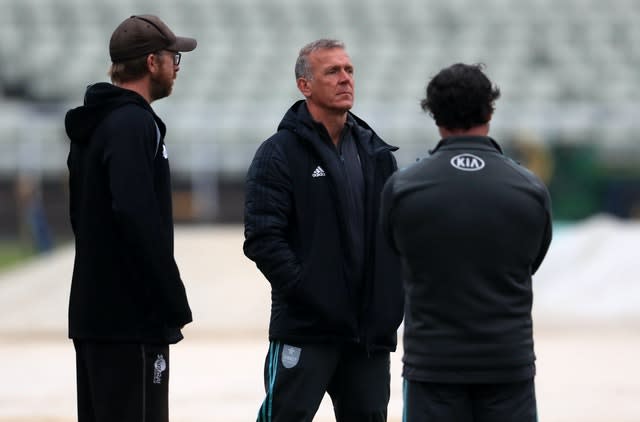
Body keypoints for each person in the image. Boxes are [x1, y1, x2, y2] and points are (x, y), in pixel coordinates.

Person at [380, 63, 553, 422]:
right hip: (508, 360)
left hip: (433, 365)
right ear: (490, 111)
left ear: (434, 114)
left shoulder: (403, 188)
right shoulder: (529, 188)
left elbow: (395, 254)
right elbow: (531, 261)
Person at [243, 39, 404, 422]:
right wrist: (310, 293)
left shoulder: (378, 154)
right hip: (306, 329)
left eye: (349, 70)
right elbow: (263, 239)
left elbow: (395, 236)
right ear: (305, 85)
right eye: (332, 71)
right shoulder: (278, 152)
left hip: (366, 335)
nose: (345, 78)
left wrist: (388, 305)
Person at [64, 15, 196, 422]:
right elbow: (135, 214)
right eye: (173, 57)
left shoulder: (101, 122)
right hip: (129, 322)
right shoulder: (132, 124)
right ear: (152, 62)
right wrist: (171, 297)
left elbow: (79, 217)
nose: (177, 66)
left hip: (98, 316)